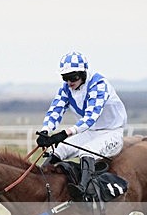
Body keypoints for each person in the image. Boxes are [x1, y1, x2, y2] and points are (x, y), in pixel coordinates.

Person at [35, 50, 128, 201]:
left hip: (111, 132)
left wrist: (64, 133)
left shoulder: (99, 85)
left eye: (73, 77)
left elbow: (90, 117)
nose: (69, 82)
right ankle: (40, 178)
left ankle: (85, 190)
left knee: (87, 152)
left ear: (84, 73)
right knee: (60, 149)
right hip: (90, 132)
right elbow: (56, 110)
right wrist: (45, 131)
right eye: (65, 78)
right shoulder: (66, 88)